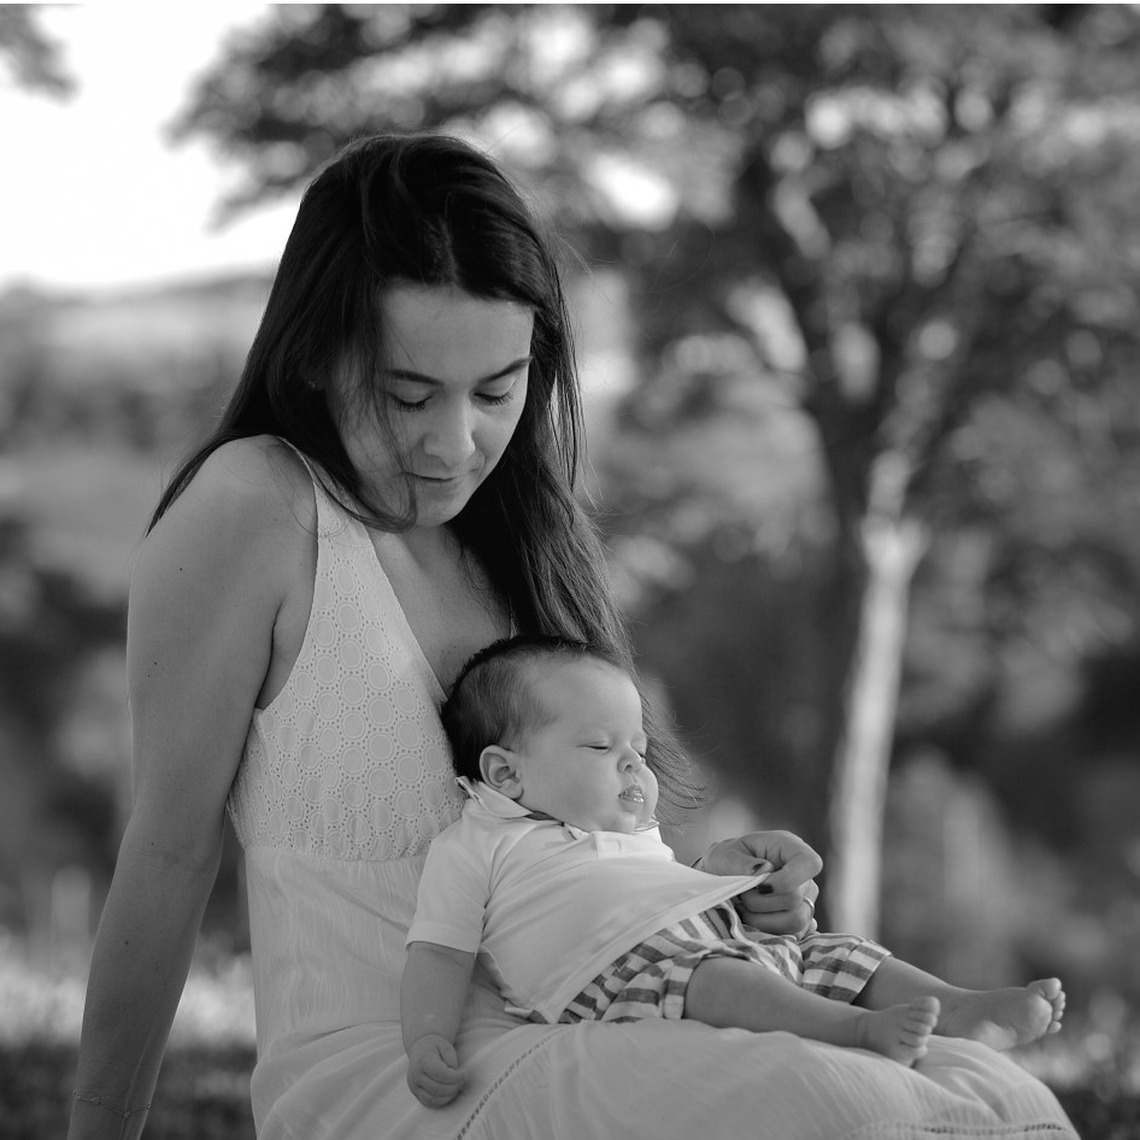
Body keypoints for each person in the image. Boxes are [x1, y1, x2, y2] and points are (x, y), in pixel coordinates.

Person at [68, 131, 1079, 1140]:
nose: (454, 443)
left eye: (497, 393)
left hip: (603, 1022)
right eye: (409, 394)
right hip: (402, 1081)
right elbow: (165, 858)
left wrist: (724, 889)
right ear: (321, 357)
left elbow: (599, 861)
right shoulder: (255, 510)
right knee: (848, 1109)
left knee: (992, 1094)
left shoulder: (526, 550)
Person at [403, 635, 1065, 1108]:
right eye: (602, 747)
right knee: (715, 980)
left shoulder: (633, 832)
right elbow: (437, 952)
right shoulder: (478, 844)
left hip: (718, 939)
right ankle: (851, 1031)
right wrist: (429, 1038)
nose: (634, 766)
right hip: (620, 976)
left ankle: (964, 1007)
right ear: (504, 773)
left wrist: (723, 876)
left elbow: (658, 891)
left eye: (639, 749)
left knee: (838, 954)